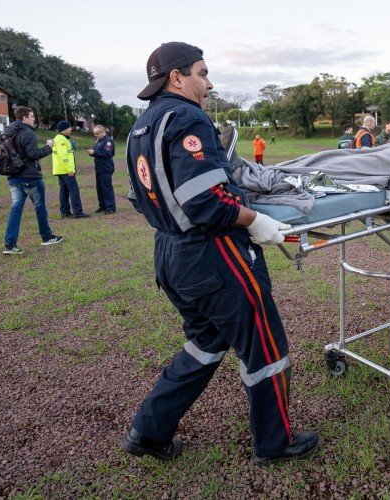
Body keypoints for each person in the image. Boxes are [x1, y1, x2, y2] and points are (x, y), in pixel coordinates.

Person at [120, 41, 318, 464]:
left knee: (206, 341)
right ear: (177, 77)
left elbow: (144, 197)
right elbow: (207, 201)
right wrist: (256, 222)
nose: (209, 83)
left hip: (171, 254)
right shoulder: (187, 117)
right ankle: (274, 442)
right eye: (202, 73)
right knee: (264, 347)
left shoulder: (140, 127)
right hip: (214, 254)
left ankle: (149, 430)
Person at [2, 107, 64, 254]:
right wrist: (49, 147)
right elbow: (33, 154)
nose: (34, 119)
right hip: (30, 177)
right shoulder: (28, 132)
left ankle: (9, 244)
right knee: (40, 207)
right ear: (24, 118)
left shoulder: (8, 132)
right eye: (31, 116)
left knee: (15, 210)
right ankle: (46, 237)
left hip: (13, 177)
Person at [52, 120, 89, 219]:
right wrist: (70, 169)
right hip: (65, 170)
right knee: (74, 189)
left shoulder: (63, 138)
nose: (71, 129)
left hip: (61, 169)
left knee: (64, 190)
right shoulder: (61, 139)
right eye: (69, 127)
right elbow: (63, 155)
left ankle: (65, 212)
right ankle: (78, 211)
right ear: (64, 129)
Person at [87, 124, 116, 214]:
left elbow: (106, 153)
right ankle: (102, 206)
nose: (95, 135)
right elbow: (96, 151)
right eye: (94, 133)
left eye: (97, 133)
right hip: (99, 168)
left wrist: (94, 152)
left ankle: (110, 207)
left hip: (106, 168)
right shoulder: (98, 140)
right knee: (99, 188)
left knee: (107, 188)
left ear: (103, 132)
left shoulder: (108, 141)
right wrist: (91, 152)